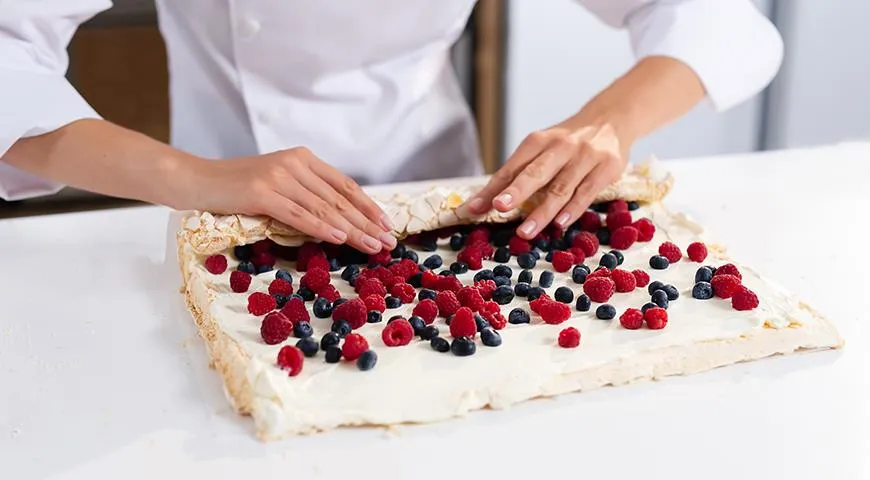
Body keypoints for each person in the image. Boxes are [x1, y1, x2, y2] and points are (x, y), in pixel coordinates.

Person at [0, 1, 782, 254]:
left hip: (444, 201)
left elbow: (717, 16)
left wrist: (605, 124)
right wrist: (196, 177)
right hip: (234, 209)